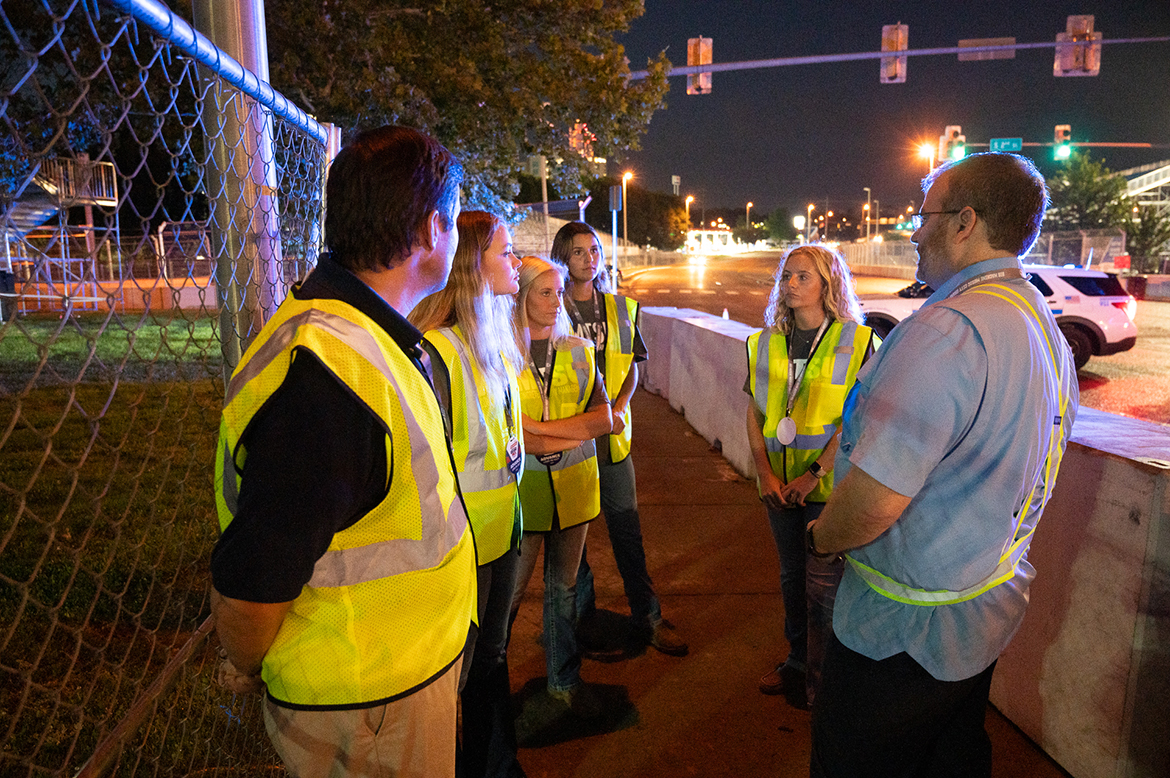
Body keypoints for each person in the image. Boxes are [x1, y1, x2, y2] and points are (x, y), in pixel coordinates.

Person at [209, 126, 477, 778]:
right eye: (452, 217)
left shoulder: (362, 334)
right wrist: (245, 660)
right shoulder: (327, 378)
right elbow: (252, 581)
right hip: (365, 713)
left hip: (388, 689)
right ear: (426, 233)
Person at [807, 152, 1078, 777]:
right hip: (976, 620)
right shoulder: (1038, 322)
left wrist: (823, 537)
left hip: (899, 640)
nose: (913, 231)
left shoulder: (948, 331)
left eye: (923, 215)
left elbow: (874, 502)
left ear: (965, 222)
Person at [410, 211, 526, 778]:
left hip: (504, 527)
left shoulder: (495, 332)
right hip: (465, 543)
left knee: (493, 660)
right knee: (467, 669)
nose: (516, 262)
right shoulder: (440, 350)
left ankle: (497, 764)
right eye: (505, 253)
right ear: (471, 265)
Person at [745, 244, 878, 708]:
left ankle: (827, 685)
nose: (791, 285)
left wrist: (814, 472)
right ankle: (798, 663)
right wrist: (763, 473)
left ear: (828, 283)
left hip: (827, 489)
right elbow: (755, 412)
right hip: (778, 488)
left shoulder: (857, 340)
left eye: (803, 277)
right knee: (791, 578)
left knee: (826, 591)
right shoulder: (765, 341)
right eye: (788, 276)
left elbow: (855, 420)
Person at [549, 221, 688, 657]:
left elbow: (631, 366)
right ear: (562, 258)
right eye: (577, 252)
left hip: (613, 441)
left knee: (627, 530)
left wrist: (621, 405)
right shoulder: (549, 308)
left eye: (593, 250)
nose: (588, 258)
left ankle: (648, 617)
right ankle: (583, 620)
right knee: (578, 540)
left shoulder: (621, 308)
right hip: (570, 439)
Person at [510, 255, 612, 714]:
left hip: (574, 491)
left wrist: (538, 432)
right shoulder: (500, 354)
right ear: (521, 296)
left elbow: (606, 419)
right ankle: (483, 685)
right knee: (508, 596)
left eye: (558, 292)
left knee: (564, 590)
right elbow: (506, 431)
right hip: (523, 497)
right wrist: (575, 428)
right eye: (545, 293)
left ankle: (563, 679)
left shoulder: (578, 350)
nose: (557, 302)